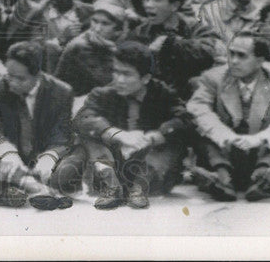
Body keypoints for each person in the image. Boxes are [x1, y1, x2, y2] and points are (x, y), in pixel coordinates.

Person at [186, 32, 270, 201]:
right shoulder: (212, 78)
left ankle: (262, 177)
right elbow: (198, 108)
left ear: (260, 60)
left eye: (241, 56)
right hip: (224, 148)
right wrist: (224, 135)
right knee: (197, 127)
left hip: (260, 149)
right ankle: (223, 178)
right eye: (231, 53)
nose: (233, 61)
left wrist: (262, 138)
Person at [74, 42, 192, 209]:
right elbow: (82, 119)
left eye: (127, 74)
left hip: (150, 171)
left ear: (146, 78)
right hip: (114, 166)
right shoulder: (103, 94)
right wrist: (116, 133)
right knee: (88, 135)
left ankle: (139, 190)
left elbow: (185, 120)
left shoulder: (162, 93)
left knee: (173, 138)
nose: (119, 80)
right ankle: (111, 188)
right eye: (116, 72)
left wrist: (155, 136)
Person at [0, 41, 82, 211]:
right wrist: (6, 150)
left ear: (38, 75)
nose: (12, 82)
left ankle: (19, 188)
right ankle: (35, 188)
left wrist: (49, 157)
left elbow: (61, 133)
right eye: (9, 75)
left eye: (20, 78)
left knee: (77, 153)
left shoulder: (62, 92)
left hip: (43, 157)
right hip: (11, 157)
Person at [127, 0, 218, 99]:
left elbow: (209, 51)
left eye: (156, 0)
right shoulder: (140, 32)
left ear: (174, 5)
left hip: (188, 97)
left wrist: (172, 43)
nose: (148, 5)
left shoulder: (194, 28)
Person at [54, 3, 128, 96]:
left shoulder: (117, 41)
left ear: (118, 31)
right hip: (72, 101)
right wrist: (114, 51)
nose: (97, 29)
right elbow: (108, 82)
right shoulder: (81, 46)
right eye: (95, 21)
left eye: (105, 24)